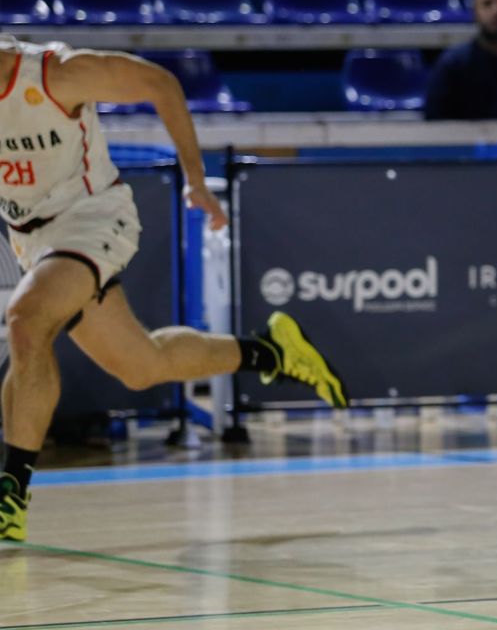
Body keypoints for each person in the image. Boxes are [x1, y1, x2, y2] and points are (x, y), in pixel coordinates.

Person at [0, 36, 347, 544]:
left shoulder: (57, 74)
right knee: (143, 366)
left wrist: (196, 181)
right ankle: (270, 351)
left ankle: (12, 495)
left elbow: (160, 83)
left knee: (26, 321)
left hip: (90, 219)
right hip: (30, 237)